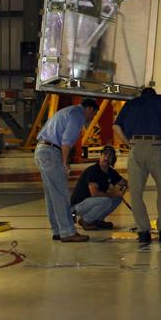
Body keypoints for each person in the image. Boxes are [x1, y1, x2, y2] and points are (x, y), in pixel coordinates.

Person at [114, 87, 161, 244]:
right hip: (158, 147)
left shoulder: (131, 103)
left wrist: (129, 143)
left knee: (136, 193)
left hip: (136, 148)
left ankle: (143, 232)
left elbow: (115, 127)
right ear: (154, 93)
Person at [34, 97, 98, 243]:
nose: (91, 118)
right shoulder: (78, 115)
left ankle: (58, 230)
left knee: (52, 194)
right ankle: (68, 232)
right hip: (51, 152)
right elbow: (66, 142)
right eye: (93, 115)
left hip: (41, 150)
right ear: (89, 109)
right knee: (62, 193)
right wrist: (65, 163)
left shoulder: (66, 111)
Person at [71, 147, 127, 230]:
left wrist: (124, 188)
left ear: (113, 159)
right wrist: (113, 193)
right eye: (105, 154)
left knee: (117, 198)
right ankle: (85, 220)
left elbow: (124, 182)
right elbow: (95, 194)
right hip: (79, 205)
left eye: (110, 156)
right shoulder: (93, 171)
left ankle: (97, 220)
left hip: (92, 202)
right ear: (100, 156)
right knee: (106, 200)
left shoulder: (110, 172)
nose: (107, 158)